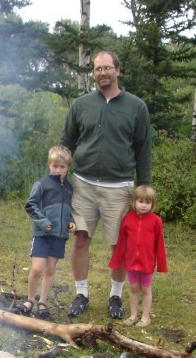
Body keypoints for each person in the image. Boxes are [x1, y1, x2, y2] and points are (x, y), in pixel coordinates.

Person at [59, 50, 152, 319]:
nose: (102, 73)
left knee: (119, 245)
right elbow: (67, 143)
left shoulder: (136, 107)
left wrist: (143, 188)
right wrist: (58, 179)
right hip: (84, 184)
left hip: (119, 187)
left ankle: (115, 295)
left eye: (107, 68)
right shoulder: (81, 105)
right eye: (98, 69)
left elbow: (144, 149)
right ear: (93, 73)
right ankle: (82, 293)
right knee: (80, 239)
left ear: (117, 70)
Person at [15, 145, 76, 319]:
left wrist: (71, 222)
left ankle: (42, 302)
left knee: (50, 269)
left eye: (62, 167)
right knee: (37, 268)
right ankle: (29, 300)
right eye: (54, 166)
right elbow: (31, 205)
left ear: (68, 168)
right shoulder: (42, 184)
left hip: (59, 236)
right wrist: (43, 223)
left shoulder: (69, 188)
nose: (58, 170)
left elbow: (68, 210)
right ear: (49, 165)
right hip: (42, 234)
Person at [109, 185, 167, 327]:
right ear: (134, 202)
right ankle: (133, 315)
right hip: (131, 262)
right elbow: (122, 242)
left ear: (152, 204)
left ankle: (145, 317)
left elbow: (160, 243)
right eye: (141, 202)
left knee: (146, 289)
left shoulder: (156, 221)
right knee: (134, 288)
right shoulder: (128, 219)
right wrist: (117, 260)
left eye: (148, 203)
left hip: (147, 262)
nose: (144, 205)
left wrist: (161, 264)